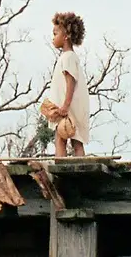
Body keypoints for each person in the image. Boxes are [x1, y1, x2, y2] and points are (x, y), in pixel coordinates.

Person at [48, 12, 90, 157]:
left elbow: (70, 82)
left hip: (68, 108)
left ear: (66, 36)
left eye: (55, 34)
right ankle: (78, 165)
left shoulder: (68, 57)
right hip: (68, 106)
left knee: (62, 138)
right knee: (74, 140)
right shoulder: (67, 57)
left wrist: (65, 106)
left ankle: (62, 166)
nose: (53, 38)